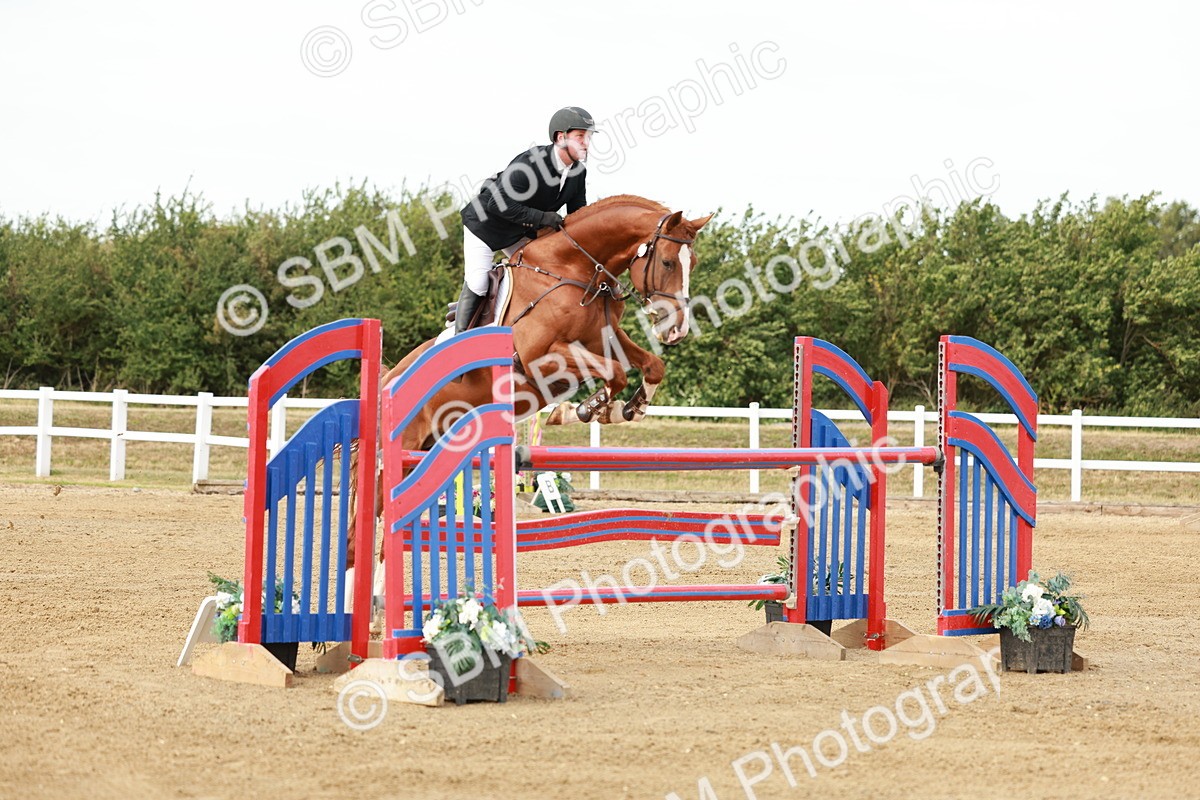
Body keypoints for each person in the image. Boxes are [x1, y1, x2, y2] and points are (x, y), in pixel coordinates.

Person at [454, 106, 595, 333]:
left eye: (588, 137)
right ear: (560, 137)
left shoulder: (578, 172)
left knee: (543, 275)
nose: (586, 143)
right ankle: (459, 341)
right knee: (479, 282)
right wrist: (542, 218)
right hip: (485, 227)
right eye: (580, 136)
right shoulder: (531, 163)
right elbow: (497, 203)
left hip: (517, 231)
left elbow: (578, 212)